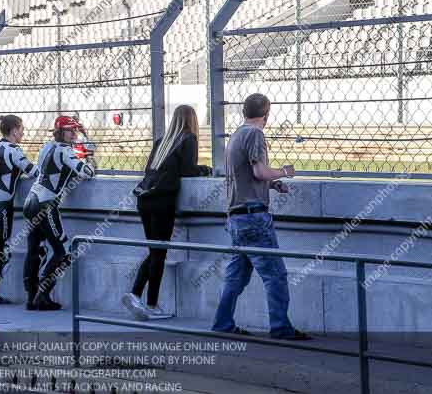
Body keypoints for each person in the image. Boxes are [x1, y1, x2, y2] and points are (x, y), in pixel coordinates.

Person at [211, 93, 310, 340]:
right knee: (275, 275)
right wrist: (284, 172)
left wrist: (272, 184)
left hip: (236, 218)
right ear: (267, 113)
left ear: (244, 112)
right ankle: (280, 328)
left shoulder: (236, 135)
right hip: (254, 218)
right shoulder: (255, 134)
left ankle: (222, 323)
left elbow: (245, 177)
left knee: (236, 277)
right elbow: (258, 171)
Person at [122, 105, 211, 321]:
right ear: (192, 120)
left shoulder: (162, 140)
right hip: (162, 201)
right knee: (159, 252)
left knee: (155, 250)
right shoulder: (188, 138)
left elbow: (150, 170)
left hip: (145, 200)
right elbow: (188, 171)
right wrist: (205, 169)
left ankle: (137, 295)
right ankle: (148, 302)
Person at [23, 115, 95, 311]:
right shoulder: (66, 151)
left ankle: (31, 297)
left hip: (31, 200)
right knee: (62, 251)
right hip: (45, 204)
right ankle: (42, 295)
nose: (74, 134)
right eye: (70, 130)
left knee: (33, 249)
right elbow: (88, 172)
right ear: (60, 132)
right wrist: (87, 154)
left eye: (75, 130)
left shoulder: (47, 147)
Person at [0, 115, 38, 304]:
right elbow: (35, 172)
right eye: (21, 129)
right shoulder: (14, 150)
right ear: (13, 130)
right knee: (0, 251)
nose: (23, 132)